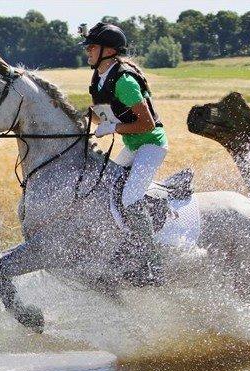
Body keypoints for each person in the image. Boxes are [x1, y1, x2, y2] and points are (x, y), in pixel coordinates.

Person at [80, 22, 168, 281]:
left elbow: (147, 124)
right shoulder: (100, 78)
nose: (88, 52)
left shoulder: (125, 81)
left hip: (151, 145)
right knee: (105, 188)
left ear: (108, 50)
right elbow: (99, 117)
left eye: (92, 47)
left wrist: (114, 127)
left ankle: (152, 261)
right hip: (132, 146)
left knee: (129, 198)